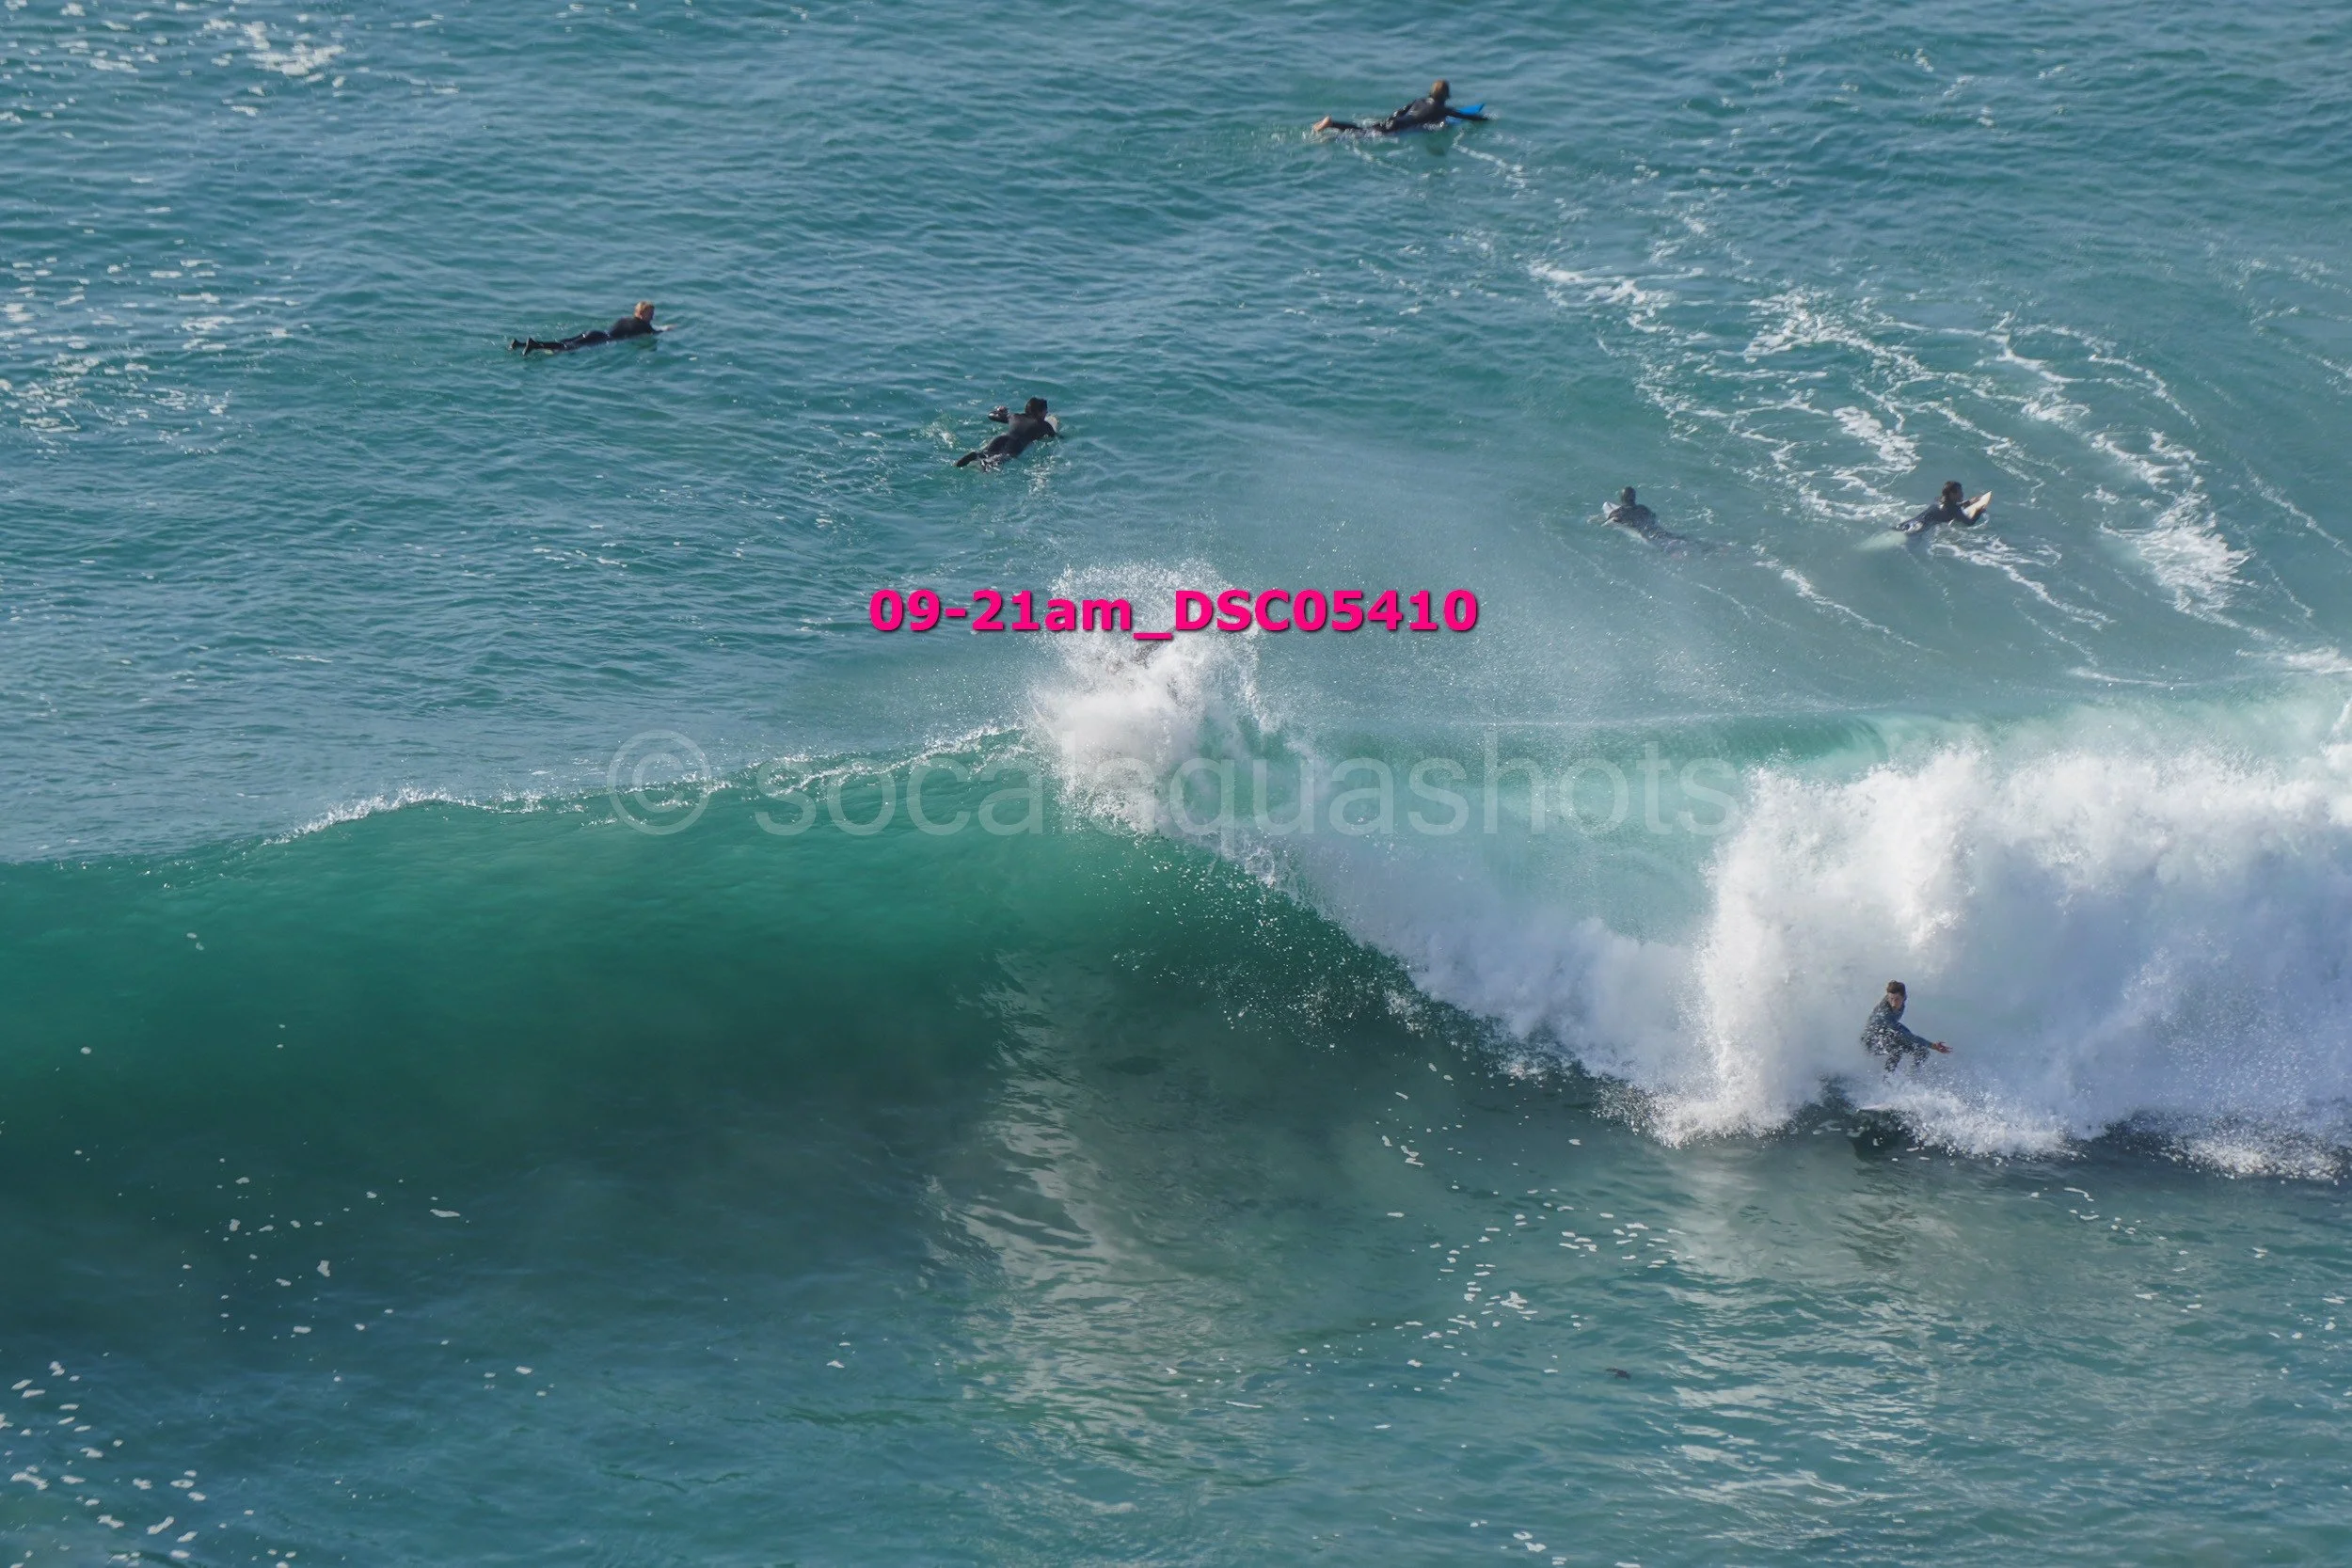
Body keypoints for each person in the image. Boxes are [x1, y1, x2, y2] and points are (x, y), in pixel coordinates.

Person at [1314, 79, 1486, 135]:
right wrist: (1485, 119)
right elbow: (1465, 116)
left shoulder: (1418, 101)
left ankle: (1332, 126)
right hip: (1399, 128)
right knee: (1362, 134)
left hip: (1395, 121)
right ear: (1446, 95)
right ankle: (1331, 124)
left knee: (1363, 130)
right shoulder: (1443, 110)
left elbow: (1400, 111)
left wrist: (1391, 119)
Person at [1861, 981, 1949, 1069]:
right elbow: (1905, 1035)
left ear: (1904, 997)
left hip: (1887, 1032)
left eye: (1897, 999)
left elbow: (1903, 1032)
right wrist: (1933, 1045)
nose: (1893, 1004)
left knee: (1922, 1052)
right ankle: (1887, 1080)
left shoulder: (1903, 997)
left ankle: (1912, 1075)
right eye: (1891, 999)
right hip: (1871, 1041)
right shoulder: (1885, 1013)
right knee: (1896, 1050)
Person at [511, 301, 658, 354]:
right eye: (650, 313)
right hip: (601, 338)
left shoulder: (625, 319)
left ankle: (520, 344)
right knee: (567, 348)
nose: (652, 316)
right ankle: (534, 346)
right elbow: (656, 332)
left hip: (594, 333)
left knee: (565, 342)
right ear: (642, 313)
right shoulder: (645, 326)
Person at [955, 397, 1060, 469]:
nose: (1046, 413)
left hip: (1000, 439)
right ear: (1039, 412)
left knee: (984, 453)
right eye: (1045, 411)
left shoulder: (1014, 416)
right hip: (1015, 445)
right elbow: (1053, 436)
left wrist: (1000, 411)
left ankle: (975, 456)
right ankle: (983, 466)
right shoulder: (1042, 424)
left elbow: (991, 415)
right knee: (999, 460)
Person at [1601, 486, 1701, 550]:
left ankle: (1674, 554)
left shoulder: (1619, 512)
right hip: (1656, 530)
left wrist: (1600, 522)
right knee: (1677, 537)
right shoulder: (1643, 508)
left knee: (1666, 548)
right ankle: (1703, 545)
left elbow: (1610, 522)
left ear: (1622, 499)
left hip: (1646, 537)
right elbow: (1653, 517)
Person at [1897, 480, 1979, 533]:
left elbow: (1949, 505)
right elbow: (1969, 523)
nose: (1962, 494)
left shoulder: (1938, 500)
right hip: (1917, 529)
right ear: (1952, 494)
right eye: (1960, 492)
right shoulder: (1955, 511)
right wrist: (1979, 512)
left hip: (1911, 522)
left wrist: (1968, 502)